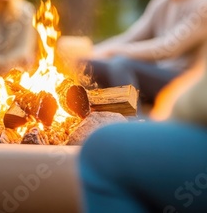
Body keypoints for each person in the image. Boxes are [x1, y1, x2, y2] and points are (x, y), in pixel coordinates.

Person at [78, 49, 207, 213]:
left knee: (102, 148)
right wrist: (95, 52)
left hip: (175, 75)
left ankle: (134, 118)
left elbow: (168, 45)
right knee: (101, 63)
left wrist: (175, 107)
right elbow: (134, 35)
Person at [86, 0, 207, 103]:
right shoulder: (162, 1)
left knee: (121, 63)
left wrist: (113, 51)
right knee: (89, 65)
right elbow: (129, 37)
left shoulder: (203, 4)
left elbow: (166, 49)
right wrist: (92, 53)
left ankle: (134, 124)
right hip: (159, 75)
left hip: (187, 83)